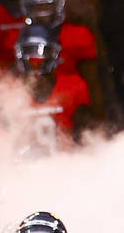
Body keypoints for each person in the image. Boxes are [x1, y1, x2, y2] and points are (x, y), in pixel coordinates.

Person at [13, 23, 92, 156]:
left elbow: (87, 134)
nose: (36, 58)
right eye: (30, 51)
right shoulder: (11, 94)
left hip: (67, 163)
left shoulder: (73, 86)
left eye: (42, 51)